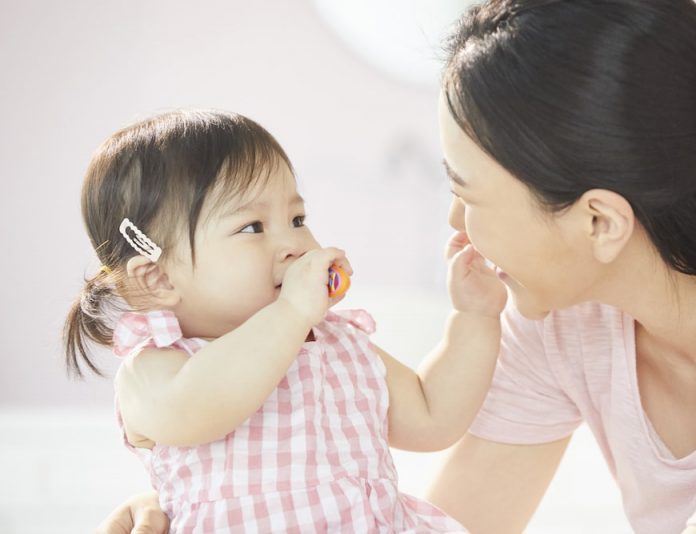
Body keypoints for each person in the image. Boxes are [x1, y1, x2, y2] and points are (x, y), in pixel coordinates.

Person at [99, 0, 696, 532]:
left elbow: (428, 414)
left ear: (598, 221)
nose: (454, 224)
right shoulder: (565, 323)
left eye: (466, 194)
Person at [67, 109, 507, 532]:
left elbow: (432, 416)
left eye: (297, 219)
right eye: (252, 227)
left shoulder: (335, 344)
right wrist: (292, 313)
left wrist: (474, 316)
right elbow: (201, 409)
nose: (294, 243)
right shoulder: (154, 369)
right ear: (159, 277)